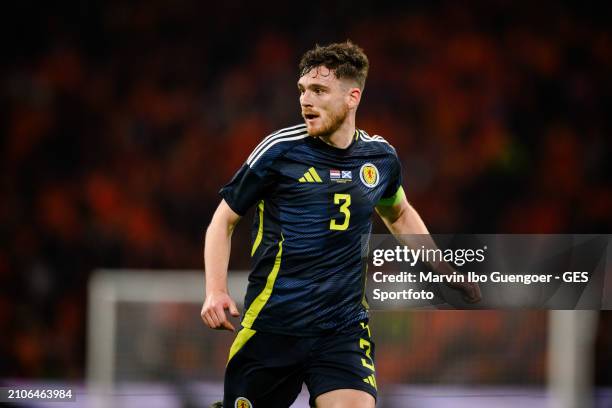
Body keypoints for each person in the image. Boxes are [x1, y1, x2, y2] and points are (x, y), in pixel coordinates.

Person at [201, 41, 481, 408]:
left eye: (318, 90)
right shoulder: (278, 150)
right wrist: (215, 290)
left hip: (342, 330)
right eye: (302, 90)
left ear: (352, 97)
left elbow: (398, 213)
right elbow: (223, 220)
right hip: (273, 325)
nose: (305, 100)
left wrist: (443, 271)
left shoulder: (380, 158)